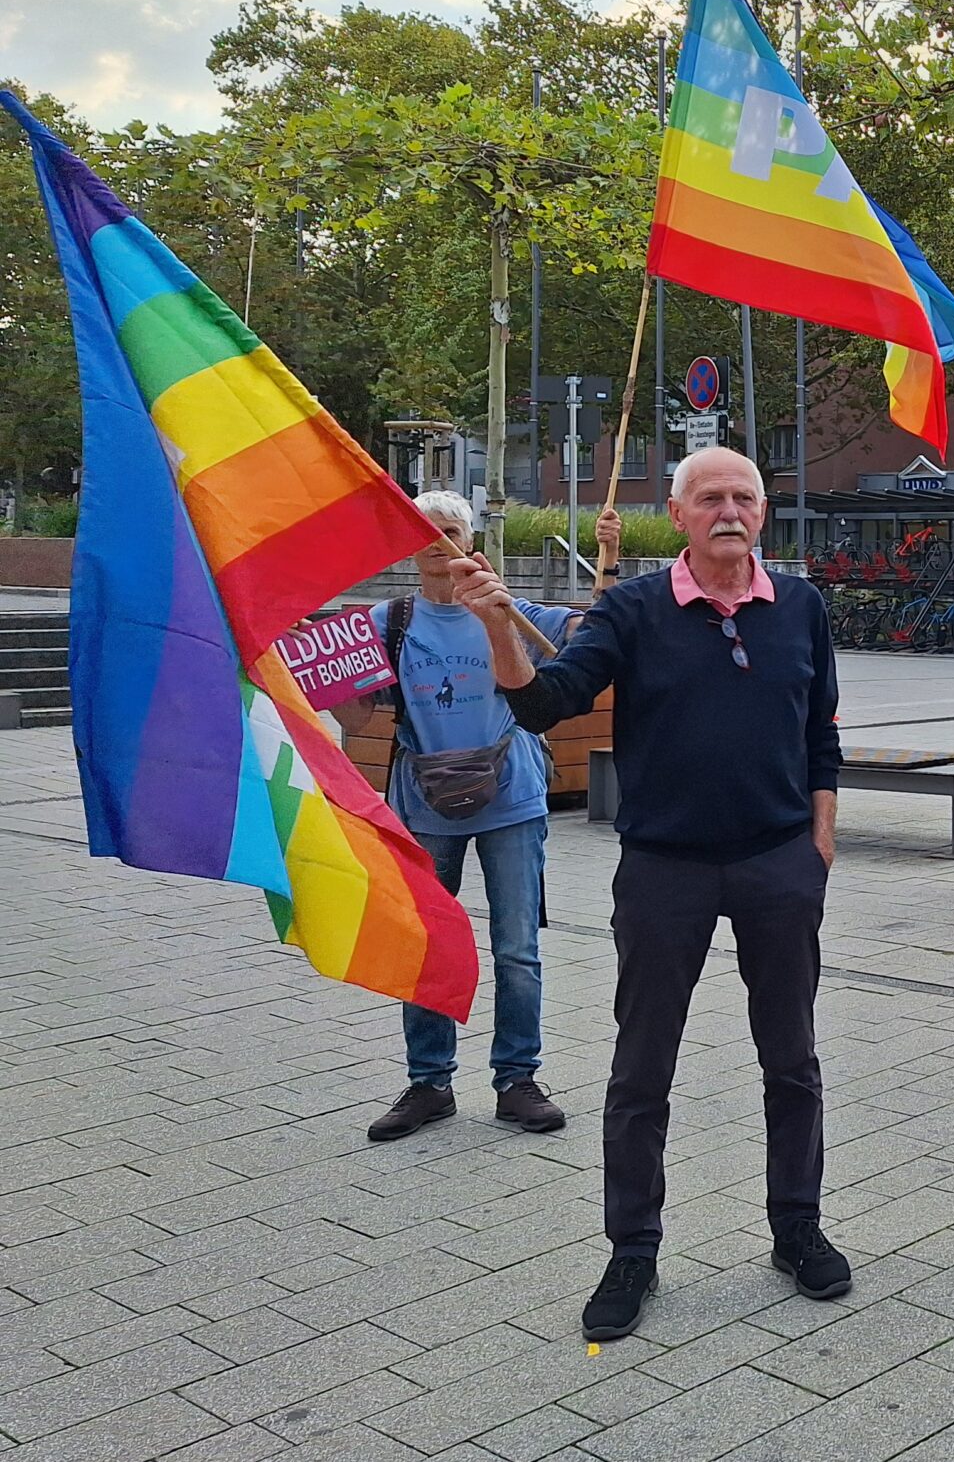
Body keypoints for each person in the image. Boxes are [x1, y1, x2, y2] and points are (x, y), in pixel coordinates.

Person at [456, 447, 848, 1342]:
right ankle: (632, 1246)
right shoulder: (631, 610)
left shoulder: (799, 607)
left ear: (762, 512)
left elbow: (820, 727)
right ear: (676, 514)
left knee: (792, 1059)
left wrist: (819, 838)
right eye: (709, 497)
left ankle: (798, 1225)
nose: (730, 510)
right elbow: (545, 703)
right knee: (642, 1070)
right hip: (665, 869)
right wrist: (497, 626)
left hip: (778, 863)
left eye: (744, 496)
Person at [338, 491, 606, 1143]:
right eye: (424, 529)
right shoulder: (385, 621)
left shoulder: (507, 608)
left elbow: (595, 637)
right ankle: (429, 1082)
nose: (438, 539)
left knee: (517, 949)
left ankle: (517, 1078)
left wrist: (608, 556)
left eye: (451, 528)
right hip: (421, 803)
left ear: (473, 539)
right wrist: (329, 686)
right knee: (425, 944)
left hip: (511, 799)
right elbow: (357, 719)